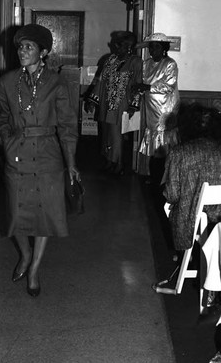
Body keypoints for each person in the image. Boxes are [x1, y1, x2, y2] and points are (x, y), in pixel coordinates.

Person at [0, 23, 80, 297]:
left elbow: (68, 126)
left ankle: (34, 269)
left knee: (45, 212)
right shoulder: (7, 81)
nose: (22, 51)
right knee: (16, 210)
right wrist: (8, 143)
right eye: (20, 47)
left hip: (47, 154)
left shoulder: (57, 83)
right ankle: (25, 254)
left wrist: (71, 164)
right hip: (16, 152)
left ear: (43, 52)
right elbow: (3, 117)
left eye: (29, 47)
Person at [163, 103, 221, 253]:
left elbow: (172, 195)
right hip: (218, 222)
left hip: (190, 223)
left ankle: (185, 256)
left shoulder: (178, 153)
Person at [85, 30, 142, 174]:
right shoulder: (110, 60)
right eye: (116, 45)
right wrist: (93, 100)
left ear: (129, 47)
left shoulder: (135, 62)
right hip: (106, 102)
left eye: (120, 46)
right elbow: (101, 81)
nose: (116, 48)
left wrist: (133, 105)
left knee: (117, 135)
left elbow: (138, 85)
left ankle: (119, 164)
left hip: (122, 104)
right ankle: (109, 160)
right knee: (106, 134)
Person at [133, 32, 180, 182]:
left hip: (165, 108)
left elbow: (169, 86)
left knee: (164, 143)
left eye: (156, 47)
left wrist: (147, 87)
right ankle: (154, 176)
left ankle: (165, 178)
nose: (153, 50)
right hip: (151, 107)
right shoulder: (146, 63)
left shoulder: (170, 64)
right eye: (151, 47)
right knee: (153, 143)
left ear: (164, 48)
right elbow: (142, 83)